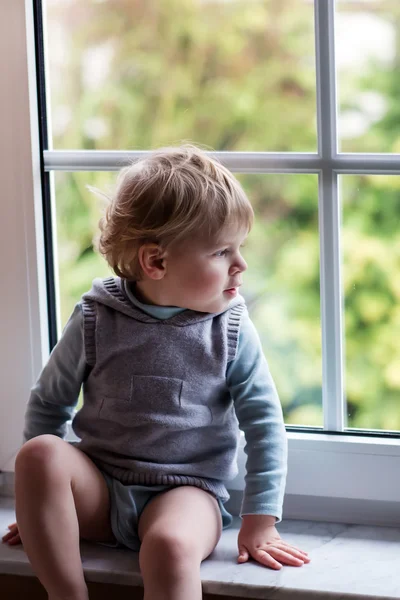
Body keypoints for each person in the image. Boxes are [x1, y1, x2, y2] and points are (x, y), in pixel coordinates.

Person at [2, 145, 310, 600]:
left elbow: (264, 425)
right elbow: (50, 403)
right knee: (39, 455)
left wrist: (260, 522)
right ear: (156, 262)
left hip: (186, 495)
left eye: (239, 248)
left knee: (167, 547)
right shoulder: (95, 317)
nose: (241, 265)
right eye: (223, 251)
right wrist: (43, 509)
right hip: (101, 489)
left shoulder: (231, 328)